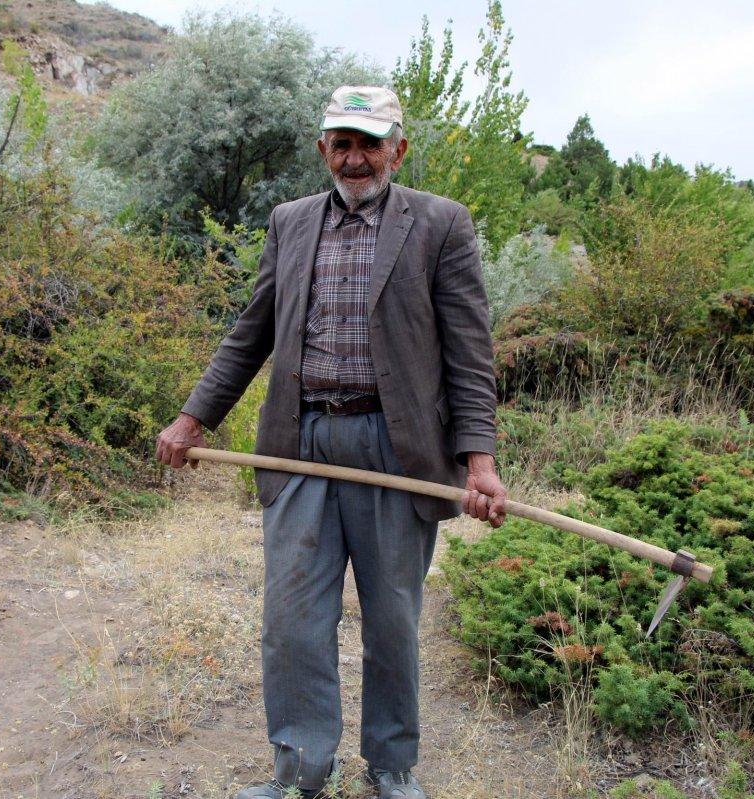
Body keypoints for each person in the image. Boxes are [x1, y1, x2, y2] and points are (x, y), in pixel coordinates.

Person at [156, 85, 507, 799]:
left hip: (396, 450)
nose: (354, 157)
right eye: (340, 143)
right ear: (323, 149)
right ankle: (301, 770)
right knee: (292, 620)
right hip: (300, 443)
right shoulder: (289, 222)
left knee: (392, 619)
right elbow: (251, 333)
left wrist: (480, 462)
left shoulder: (441, 224)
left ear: (397, 149)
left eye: (368, 143)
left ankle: (392, 766)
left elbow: (470, 355)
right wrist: (193, 419)